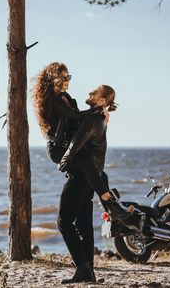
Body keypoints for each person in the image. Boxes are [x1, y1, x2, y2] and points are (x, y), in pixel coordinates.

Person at [30, 62, 130, 221]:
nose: (68, 80)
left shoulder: (67, 98)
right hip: (57, 149)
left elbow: (77, 127)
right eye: (64, 77)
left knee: (101, 175)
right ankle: (111, 205)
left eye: (68, 76)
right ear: (55, 79)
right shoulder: (53, 99)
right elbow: (76, 116)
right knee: (87, 163)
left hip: (66, 147)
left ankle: (112, 211)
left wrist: (103, 122)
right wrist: (97, 111)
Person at [57, 85, 119, 283]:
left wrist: (64, 161)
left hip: (81, 176)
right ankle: (89, 271)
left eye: (95, 93)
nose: (90, 93)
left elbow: (76, 142)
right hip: (92, 175)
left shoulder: (92, 119)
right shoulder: (100, 118)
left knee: (64, 220)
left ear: (102, 101)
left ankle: (82, 268)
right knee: (83, 223)